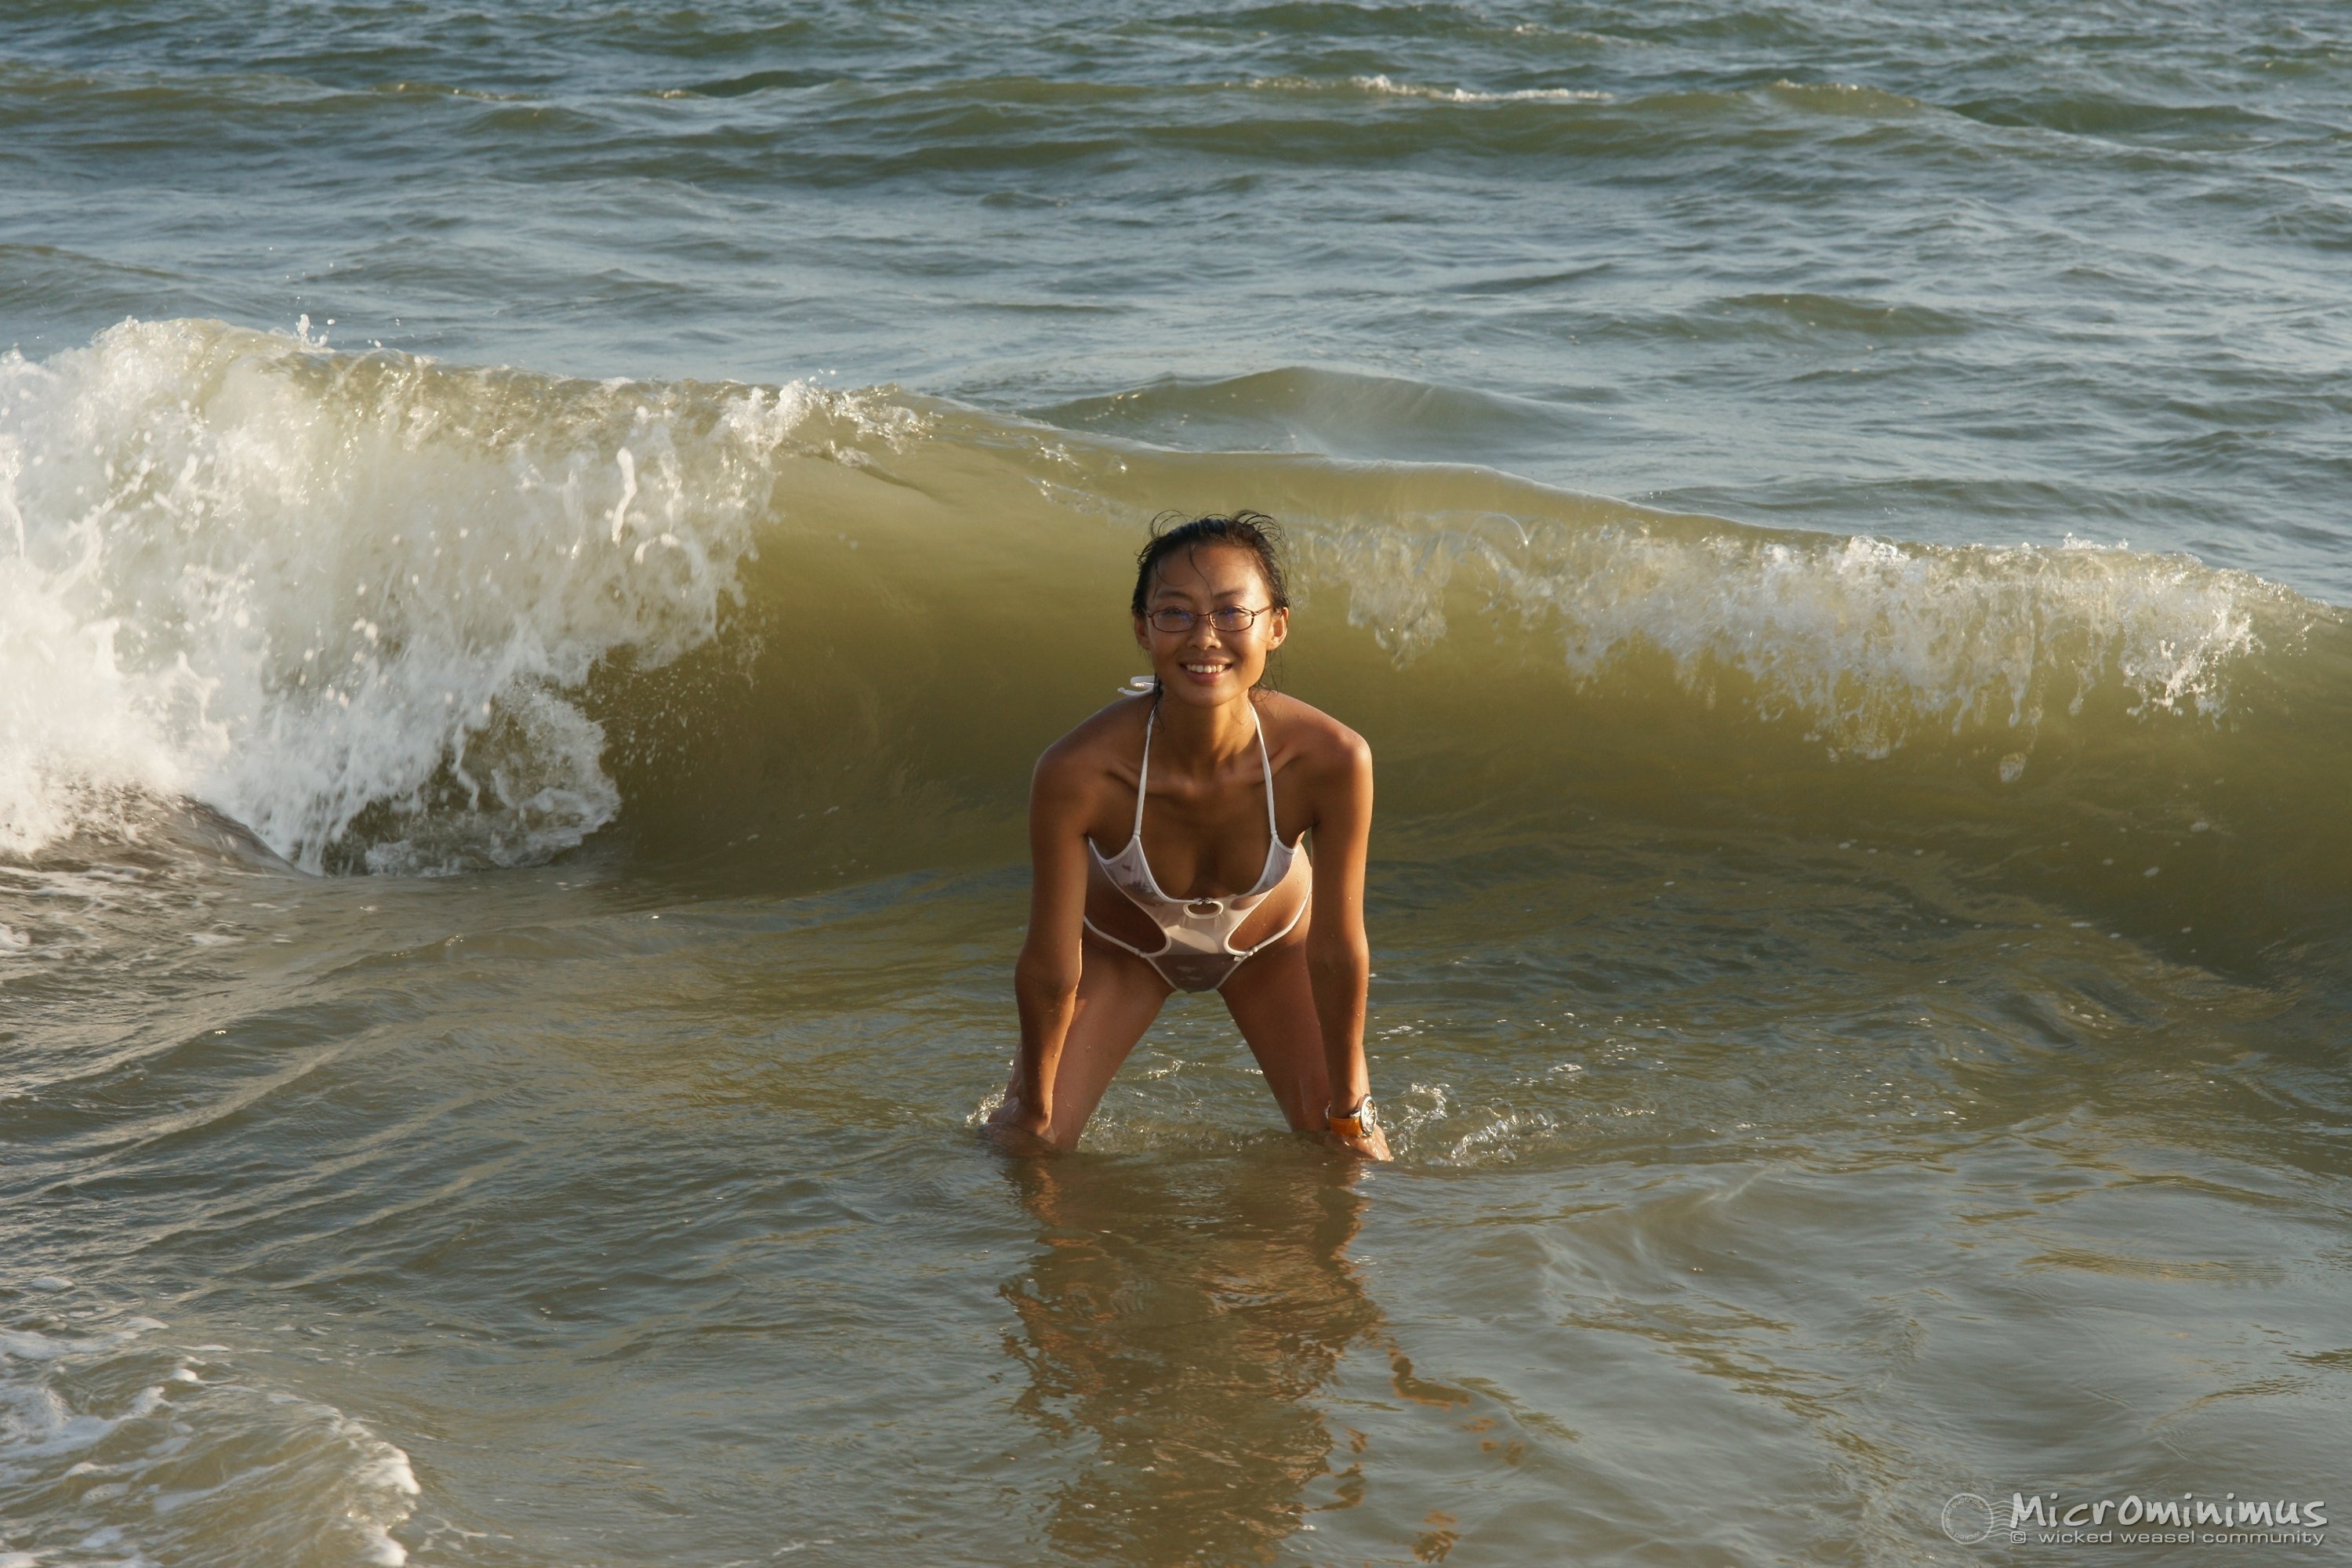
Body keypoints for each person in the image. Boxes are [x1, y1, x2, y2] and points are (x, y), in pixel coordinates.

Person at [990, 513, 1391, 1160]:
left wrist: (1349, 1107)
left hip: (1273, 949)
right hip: (1122, 952)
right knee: (1027, 1150)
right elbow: (1050, 965)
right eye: (1175, 613)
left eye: (1232, 613)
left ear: (1276, 626)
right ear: (1142, 629)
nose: (1205, 637)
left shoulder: (1332, 758)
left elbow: (1339, 951)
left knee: (1353, 1156)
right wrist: (1033, 1108)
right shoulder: (1079, 771)